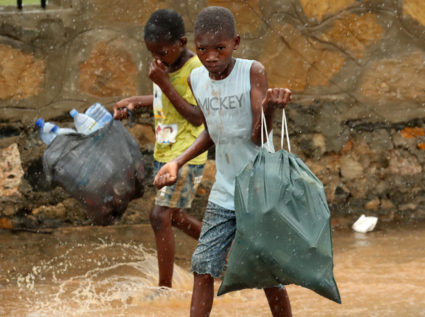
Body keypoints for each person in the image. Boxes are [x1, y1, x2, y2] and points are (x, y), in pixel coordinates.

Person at [153, 6, 293, 317]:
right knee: (203, 267)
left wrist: (269, 107)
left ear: (236, 43)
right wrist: (177, 161)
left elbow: (258, 137)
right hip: (224, 190)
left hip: (258, 188)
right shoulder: (196, 78)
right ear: (195, 45)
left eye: (220, 48)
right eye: (203, 49)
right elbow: (211, 130)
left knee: (268, 273)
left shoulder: (251, 71)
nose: (211, 57)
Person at [113, 9, 208, 288]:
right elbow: (160, 99)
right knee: (175, 216)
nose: (158, 59)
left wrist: (164, 83)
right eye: (152, 53)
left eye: (163, 52)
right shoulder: (165, 65)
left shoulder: (196, 71)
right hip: (164, 154)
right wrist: (131, 101)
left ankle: (164, 287)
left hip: (186, 154)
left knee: (160, 215)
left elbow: (197, 116)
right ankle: (228, 251)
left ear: (183, 42)